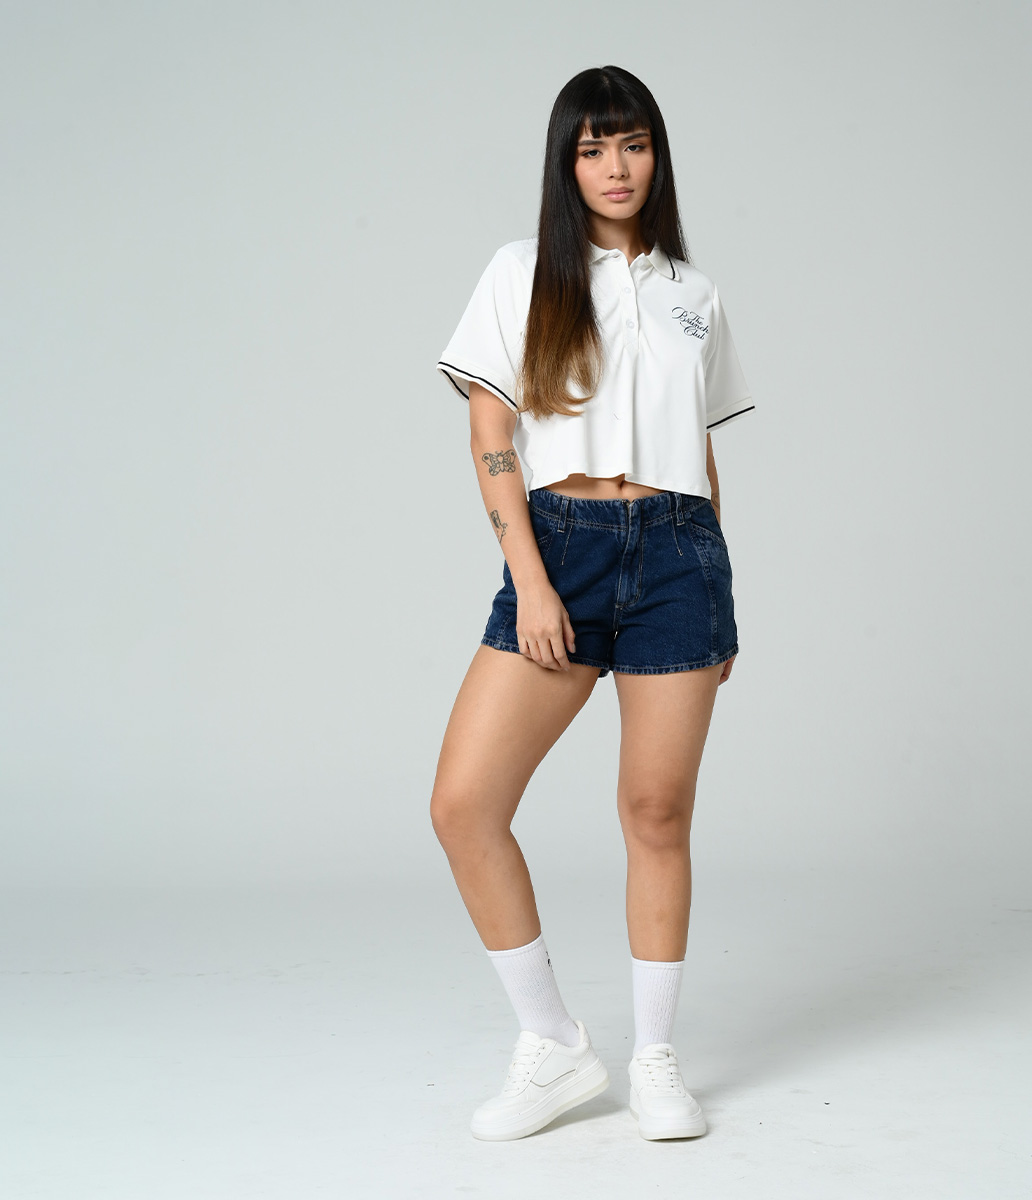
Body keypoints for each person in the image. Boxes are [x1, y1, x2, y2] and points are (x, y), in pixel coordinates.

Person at [430, 65, 755, 1143]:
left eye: (634, 144)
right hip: (561, 549)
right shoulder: (521, 272)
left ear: (658, 156)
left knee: (657, 812)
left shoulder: (695, 295)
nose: (616, 167)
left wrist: (720, 590)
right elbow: (490, 433)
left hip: (679, 559)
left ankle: (655, 1059)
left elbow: (699, 453)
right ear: (566, 164)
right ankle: (555, 1045)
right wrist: (530, 579)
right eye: (593, 148)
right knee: (464, 804)